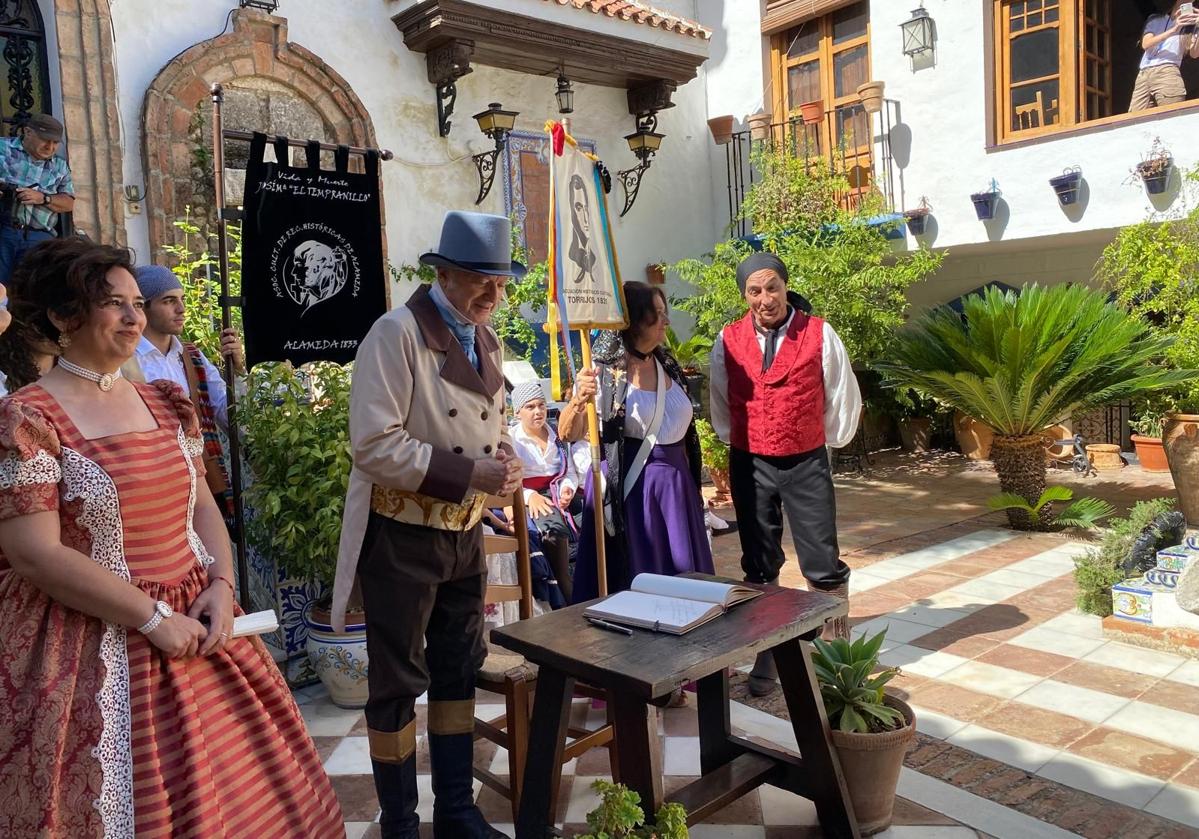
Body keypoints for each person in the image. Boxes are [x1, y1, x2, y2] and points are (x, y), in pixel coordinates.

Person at [0, 237, 343, 836]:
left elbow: (202, 504)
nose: (134, 317)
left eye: (138, 302)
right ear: (61, 315)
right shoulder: (29, 417)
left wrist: (221, 581)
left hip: (200, 618)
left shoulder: (162, 400)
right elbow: (33, 552)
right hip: (92, 636)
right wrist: (153, 618)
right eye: (114, 303)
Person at [332, 211, 522, 839]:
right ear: (441, 273)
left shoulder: (485, 339)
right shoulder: (395, 334)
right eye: (479, 280)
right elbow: (374, 446)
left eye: (501, 283)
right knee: (396, 683)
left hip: (462, 538)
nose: (493, 296)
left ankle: (457, 811)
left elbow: (482, 432)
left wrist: (506, 461)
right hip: (404, 536)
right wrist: (472, 476)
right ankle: (400, 824)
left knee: (456, 669)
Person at [709, 252, 862, 697]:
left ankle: (837, 653)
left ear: (784, 286)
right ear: (744, 294)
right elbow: (720, 398)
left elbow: (839, 392)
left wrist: (820, 439)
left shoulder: (819, 333)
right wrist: (740, 438)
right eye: (754, 291)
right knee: (759, 560)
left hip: (805, 460)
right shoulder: (728, 338)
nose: (764, 298)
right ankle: (767, 648)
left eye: (771, 287)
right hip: (750, 461)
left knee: (820, 556)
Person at [558, 281, 714, 604]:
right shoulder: (601, 373)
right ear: (633, 321)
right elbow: (566, 433)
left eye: (664, 313)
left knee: (683, 584)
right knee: (636, 583)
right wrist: (578, 400)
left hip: (674, 490)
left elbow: (686, 437)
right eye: (655, 315)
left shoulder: (668, 363)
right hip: (631, 493)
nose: (665, 322)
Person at [122, 264, 244, 525]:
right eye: (169, 301)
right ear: (144, 307)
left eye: (182, 300)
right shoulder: (125, 360)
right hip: (153, 477)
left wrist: (239, 370)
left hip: (200, 476)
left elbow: (228, 410)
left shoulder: (190, 355)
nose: (181, 309)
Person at [509, 380, 577, 603]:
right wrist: (530, 496)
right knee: (553, 532)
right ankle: (563, 592)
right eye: (530, 407)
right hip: (529, 496)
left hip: (560, 494)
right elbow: (509, 478)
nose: (538, 411)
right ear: (518, 412)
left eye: (541, 405)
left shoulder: (557, 435)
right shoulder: (511, 440)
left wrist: (567, 488)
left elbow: (570, 471)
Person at [0, 114, 75, 283]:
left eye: (55, 143)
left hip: (39, 237)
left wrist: (43, 198)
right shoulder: (3, 148)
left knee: (33, 293)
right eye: (45, 140)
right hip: (4, 229)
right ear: (27, 132)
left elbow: (69, 203)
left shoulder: (60, 166)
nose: (50, 147)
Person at [1131, 1, 1199, 112]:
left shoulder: (1190, 26)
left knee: (1170, 116)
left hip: (1168, 70)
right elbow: (1146, 44)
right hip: (1143, 74)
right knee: (1133, 120)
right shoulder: (1156, 19)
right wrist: (1174, 29)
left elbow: (1194, 53)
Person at [568, 173, 597, 285]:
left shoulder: (595, 250)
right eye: (579, 208)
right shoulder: (571, 254)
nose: (585, 216)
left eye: (586, 209)